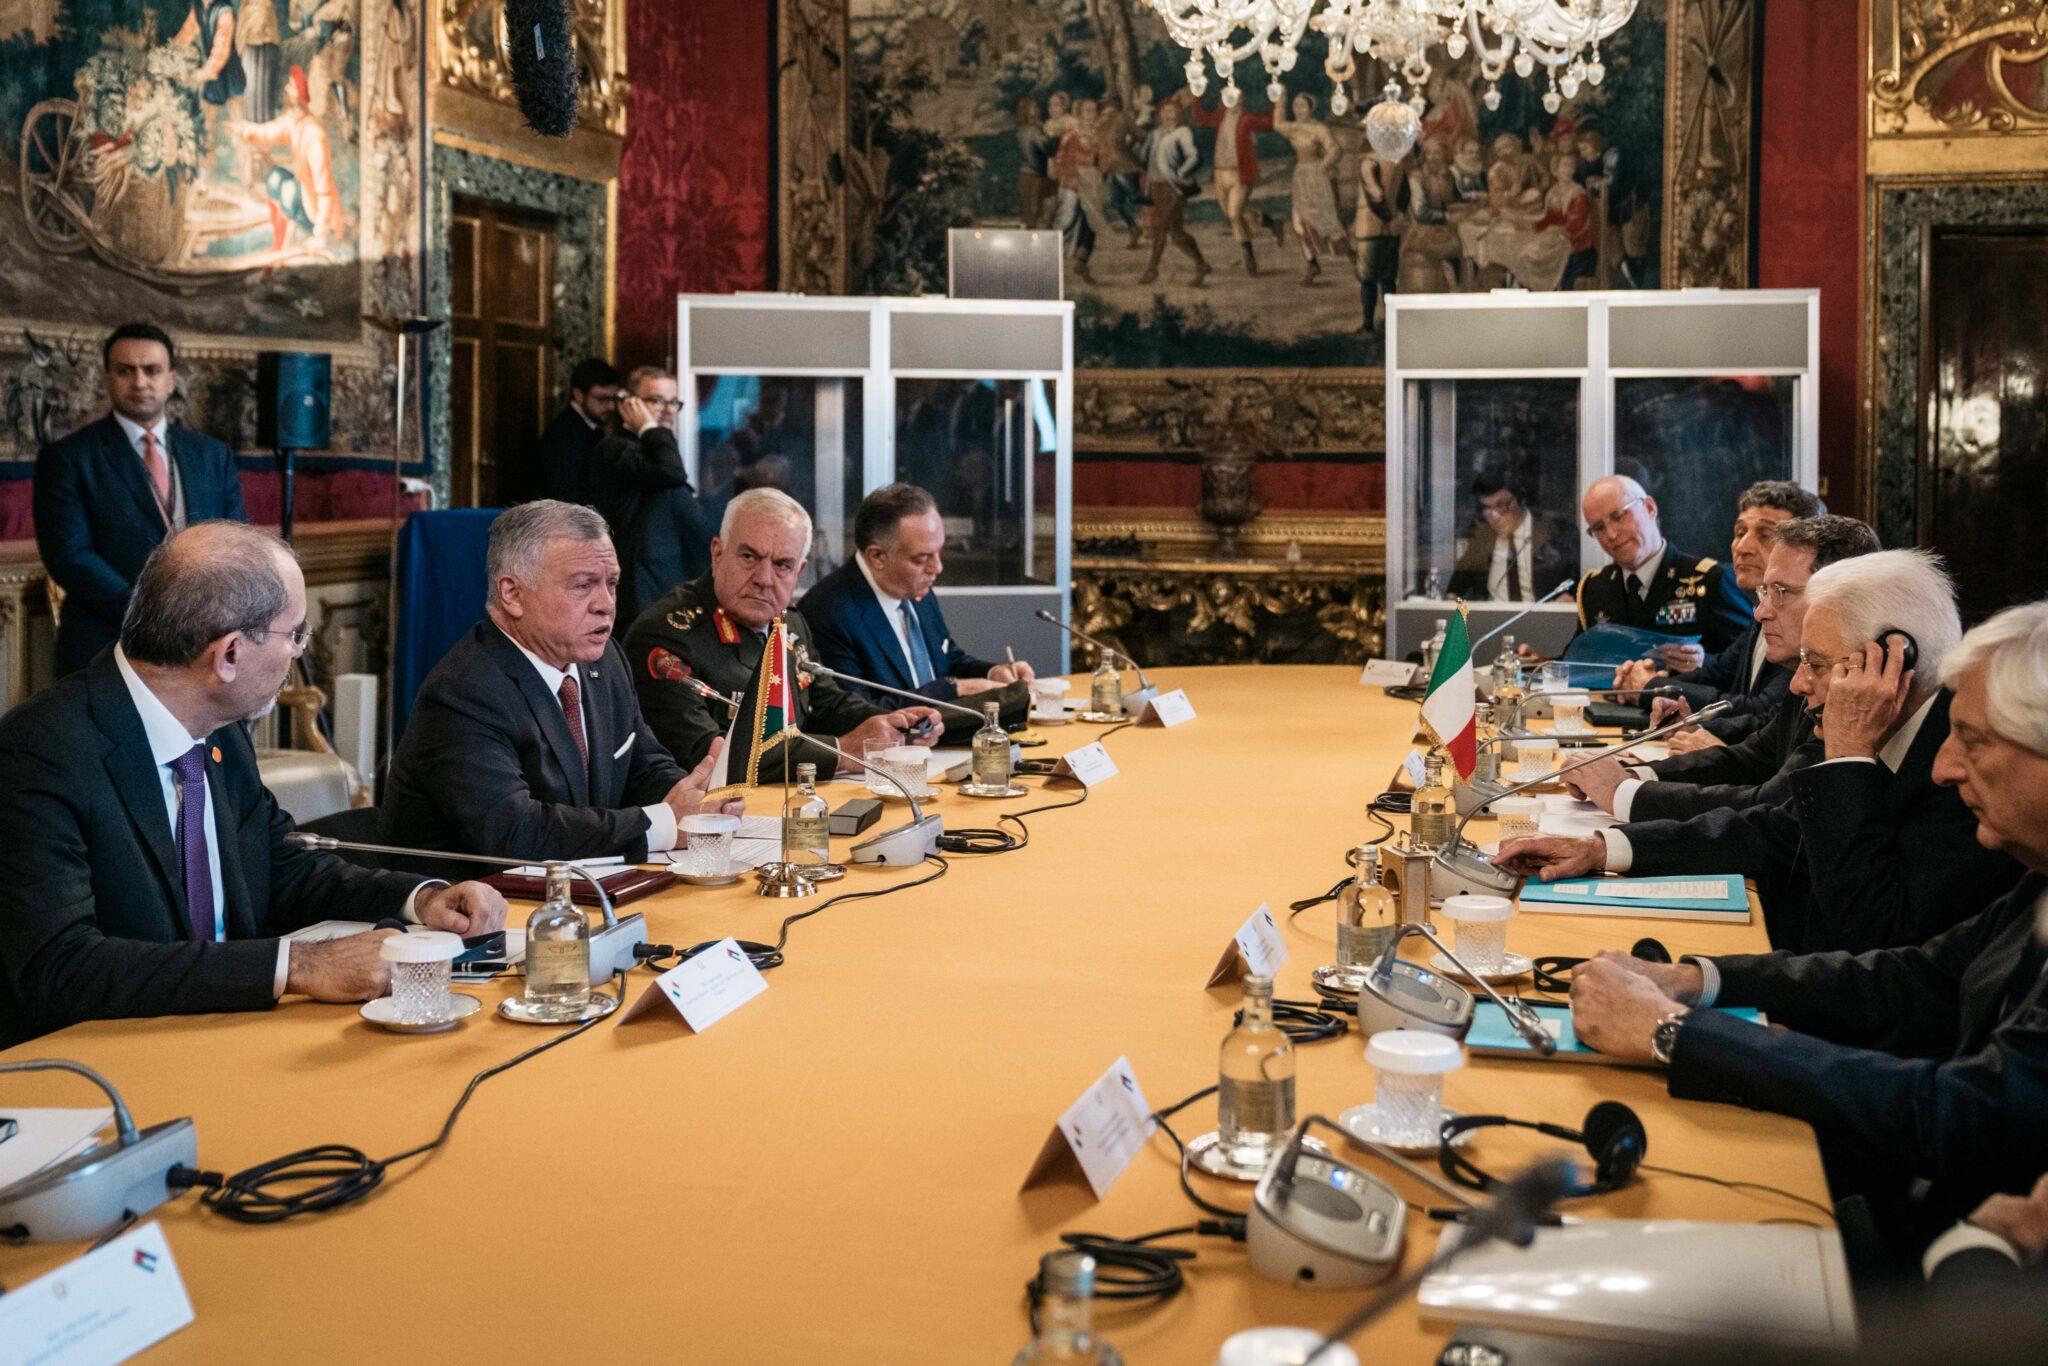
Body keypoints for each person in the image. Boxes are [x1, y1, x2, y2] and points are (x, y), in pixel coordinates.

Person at [1564, 600, 2048, 1269]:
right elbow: (1915, 974)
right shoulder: (2037, 876)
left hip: (1945, 1256)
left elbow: (1969, 1113)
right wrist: (1697, 980)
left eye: (1975, 740)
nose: (1945, 765)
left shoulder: (1981, 825)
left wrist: (1672, 1031)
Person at [0, 522, 507, 1046]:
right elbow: (60, 968)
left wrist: (421, 899)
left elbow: (280, 868)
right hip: (100, 1057)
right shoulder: (41, 753)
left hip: (231, 1035)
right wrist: (296, 965)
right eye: (295, 634)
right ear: (230, 655)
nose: (299, 652)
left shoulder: (219, 732)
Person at [1501, 549, 2025, 955]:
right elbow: (1776, 830)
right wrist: (1602, 848)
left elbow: (1873, 934)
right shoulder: (1882, 725)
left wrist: (1848, 756)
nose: (1798, 684)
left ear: (1889, 661)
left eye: (1816, 664)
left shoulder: (1966, 772)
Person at [380, 502, 735, 863]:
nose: (606, 604)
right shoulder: (464, 692)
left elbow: (642, 768)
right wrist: (663, 823)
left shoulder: (604, 660)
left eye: (611, 583)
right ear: (512, 594)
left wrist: (696, 800)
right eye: (583, 585)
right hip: (479, 894)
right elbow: (517, 832)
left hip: (584, 885)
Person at [1569, 515, 1879, 823]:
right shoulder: (1808, 671)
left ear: (1839, 599)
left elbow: (1773, 808)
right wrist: (1631, 775)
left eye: (1781, 592)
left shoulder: (1856, 689)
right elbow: (1753, 754)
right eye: (1765, 593)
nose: (1760, 612)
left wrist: (1622, 792)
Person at [625, 489, 941, 776]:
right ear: (717, 553)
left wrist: (894, 724)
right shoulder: (667, 638)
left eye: (782, 565)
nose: (764, 579)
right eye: (749, 557)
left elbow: (827, 703)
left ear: (798, 571)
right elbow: (712, 754)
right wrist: (842, 751)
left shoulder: (789, 621)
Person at [34, 323, 248, 677]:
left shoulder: (212, 455)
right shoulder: (69, 458)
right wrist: (147, 613)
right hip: (106, 645)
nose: (139, 382)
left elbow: (236, 542)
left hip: (204, 645)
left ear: (171, 380)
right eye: (125, 370)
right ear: (107, 379)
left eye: (152, 370)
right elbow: (70, 555)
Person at [1613, 480, 1824, 741]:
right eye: (1739, 532)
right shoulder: (1761, 611)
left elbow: (1762, 710)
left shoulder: (1806, 620)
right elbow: (1718, 674)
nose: (1743, 547)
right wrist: (1653, 680)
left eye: (1765, 535)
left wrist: (1650, 686)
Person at [798, 484, 1036, 706]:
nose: (937, 568)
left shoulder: (915, 588)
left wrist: (992, 672)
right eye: (921, 558)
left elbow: (946, 660)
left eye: (939, 552)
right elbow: (856, 711)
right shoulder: (829, 614)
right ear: (877, 557)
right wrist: (952, 691)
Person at [1568, 474, 1751, 657]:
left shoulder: (1710, 581)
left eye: (1618, 517)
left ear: (1649, 508)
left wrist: (1702, 662)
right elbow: (1577, 660)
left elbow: (1748, 657)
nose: (1611, 534)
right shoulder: (1594, 589)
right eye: (1599, 528)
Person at [587, 365, 714, 627]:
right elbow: (671, 472)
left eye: (673, 402)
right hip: (636, 593)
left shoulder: (654, 448)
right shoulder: (615, 448)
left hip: (664, 585)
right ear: (628, 403)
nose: (668, 410)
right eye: (656, 400)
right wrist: (649, 426)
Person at [1182, 90, 1283, 276]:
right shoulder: (1220, 117)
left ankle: (1248, 255)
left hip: (1239, 174)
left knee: (1235, 214)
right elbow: (1200, 117)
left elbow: (1268, 123)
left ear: (1242, 100)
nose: (1233, 101)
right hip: (1220, 174)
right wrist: (1196, 95)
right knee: (1233, 212)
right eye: (1228, 98)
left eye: (1236, 98)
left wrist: (1275, 101)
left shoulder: (1246, 119)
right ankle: (1270, 222)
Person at [1446, 468, 1575, 602]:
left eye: (1501, 505)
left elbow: (1574, 579)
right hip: (1494, 613)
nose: (1495, 516)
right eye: (1488, 509)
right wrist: (1453, 601)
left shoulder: (1553, 531)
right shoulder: (1483, 538)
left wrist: (1567, 597)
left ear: (1520, 500)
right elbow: (1456, 588)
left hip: (1540, 612)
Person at [1270, 90, 1349, 286]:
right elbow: (1277, 124)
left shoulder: (1319, 129)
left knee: (1325, 221)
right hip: (1301, 177)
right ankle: (1312, 264)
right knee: (1299, 223)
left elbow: (1335, 149)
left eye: (1303, 106)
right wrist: (1280, 99)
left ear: (1310, 108)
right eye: (1296, 106)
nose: (1299, 110)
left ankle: (1351, 254)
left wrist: (1323, 166)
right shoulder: (1293, 128)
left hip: (1317, 176)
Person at [1138, 99, 1208, 286]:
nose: (1168, 115)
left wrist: (1182, 173)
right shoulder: (1154, 134)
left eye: (1172, 111)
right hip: (1156, 187)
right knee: (1176, 234)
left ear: (1179, 115)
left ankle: (1152, 269)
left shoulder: (1182, 133)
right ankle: (1201, 264)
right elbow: (1144, 158)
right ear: (1159, 114)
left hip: (1173, 188)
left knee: (1160, 226)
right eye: (1164, 111)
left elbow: (1193, 155)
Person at [531, 358, 620, 505]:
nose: (611, 406)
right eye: (602, 399)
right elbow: (564, 494)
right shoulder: (563, 435)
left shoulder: (589, 427)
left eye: (613, 399)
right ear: (578, 394)